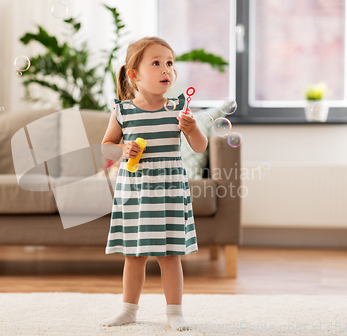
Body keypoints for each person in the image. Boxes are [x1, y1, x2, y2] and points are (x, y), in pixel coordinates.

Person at [100, 36, 208, 332]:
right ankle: (128, 310)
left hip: (170, 191)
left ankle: (175, 312)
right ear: (134, 74)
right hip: (136, 191)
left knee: (170, 255)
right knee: (134, 255)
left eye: (170, 63)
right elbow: (106, 146)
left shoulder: (178, 108)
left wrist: (194, 128)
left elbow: (199, 147)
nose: (166, 70)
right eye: (157, 63)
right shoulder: (123, 110)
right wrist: (122, 150)